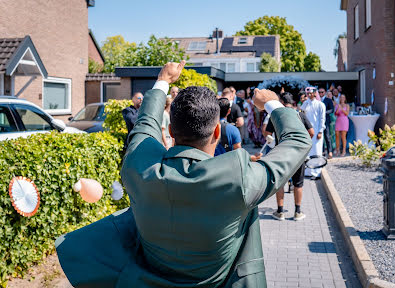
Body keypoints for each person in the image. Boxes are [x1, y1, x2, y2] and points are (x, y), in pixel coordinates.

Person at [55, 61, 312, 287]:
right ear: (217, 133)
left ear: (172, 132)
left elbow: (144, 125)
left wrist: (162, 81)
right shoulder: (239, 177)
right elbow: (298, 142)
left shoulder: (140, 165)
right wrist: (272, 103)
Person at [265, 92, 314, 221]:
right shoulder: (300, 115)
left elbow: (267, 134)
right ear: (292, 102)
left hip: (281, 153)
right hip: (298, 154)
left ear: (281, 102)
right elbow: (311, 132)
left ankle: (280, 212)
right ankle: (298, 212)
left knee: (280, 183)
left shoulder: (276, 116)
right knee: (298, 184)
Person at [302, 87, 326, 180]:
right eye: (307, 93)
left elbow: (322, 119)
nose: (309, 95)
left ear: (315, 93)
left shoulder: (320, 105)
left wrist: (320, 131)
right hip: (307, 132)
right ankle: (308, 172)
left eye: (311, 93)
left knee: (316, 152)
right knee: (308, 151)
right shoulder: (305, 104)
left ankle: (316, 173)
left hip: (317, 132)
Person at [319, 88, 334, 159]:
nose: (320, 93)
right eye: (319, 92)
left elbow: (332, 110)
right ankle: (322, 152)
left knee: (327, 136)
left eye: (322, 92)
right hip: (318, 122)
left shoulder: (328, 100)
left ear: (324, 92)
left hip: (326, 121)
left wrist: (324, 112)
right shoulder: (317, 100)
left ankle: (330, 152)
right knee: (320, 136)